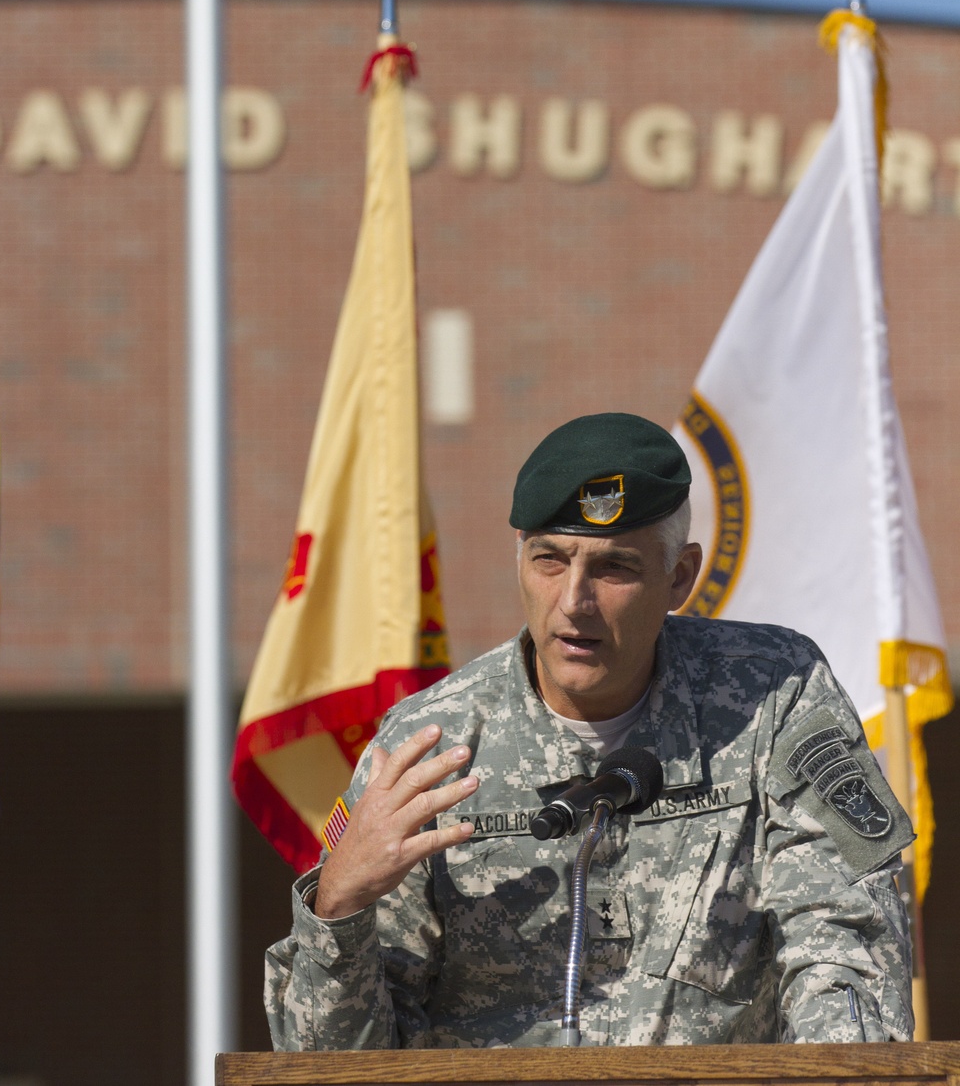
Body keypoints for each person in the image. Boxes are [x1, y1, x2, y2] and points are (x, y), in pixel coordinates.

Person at [265, 412, 914, 1049]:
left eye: (614, 569)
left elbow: (844, 949)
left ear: (679, 577)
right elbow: (328, 1061)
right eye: (550, 560)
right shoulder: (430, 743)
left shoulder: (773, 696)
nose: (574, 600)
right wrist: (338, 906)